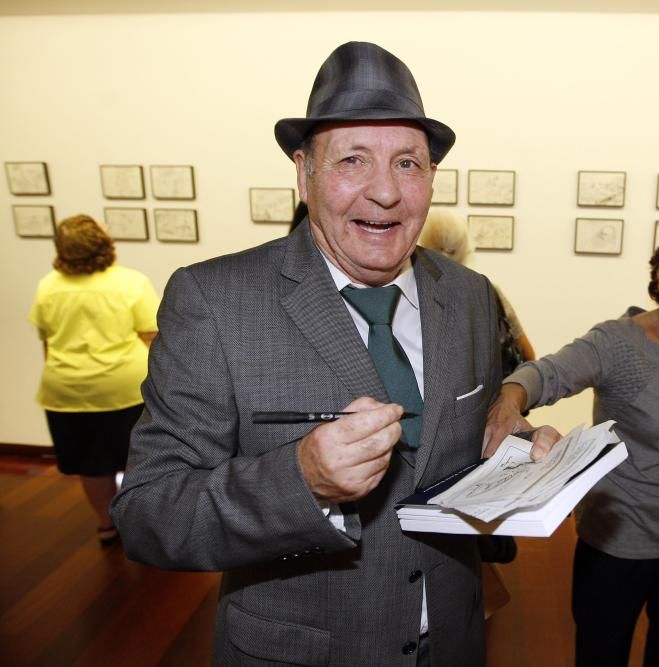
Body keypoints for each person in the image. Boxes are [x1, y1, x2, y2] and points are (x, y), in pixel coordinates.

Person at [110, 41, 530, 666]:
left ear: (433, 178)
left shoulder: (468, 295)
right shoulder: (214, 301)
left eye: (408, 163)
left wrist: (514, 452)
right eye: (352, 160)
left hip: (454, 638)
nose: (385, 192)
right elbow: (149, 513)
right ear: (303, 173)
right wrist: (299, 482)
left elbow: (454, 453)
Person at [484, 217, 659, 667]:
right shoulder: (618, 342)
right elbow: (546, 372)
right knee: (601, 654)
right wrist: (510, 400)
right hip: (622, 538)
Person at [28, 214, 158, 546]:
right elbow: (151, 337)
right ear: (102, 242)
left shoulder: (48, 285)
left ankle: (107, 525)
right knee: (138, 460)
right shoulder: (130, 282)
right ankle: (140, 526)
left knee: (91, 463)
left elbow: (47, 341)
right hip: (124, 388)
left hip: (65, 390)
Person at [418, 208, 536, 368]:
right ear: (465, 249)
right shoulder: (489, 293)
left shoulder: (410, 297)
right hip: (492, 391)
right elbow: (528, 354)